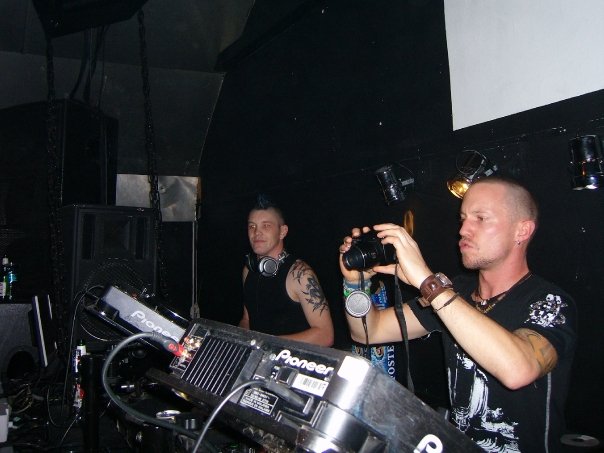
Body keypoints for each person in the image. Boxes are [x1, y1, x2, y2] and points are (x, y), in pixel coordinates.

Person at [339, 176, 576, 452]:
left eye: (480, 218)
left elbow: (517, 371)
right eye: (463, 219)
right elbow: (369, 331)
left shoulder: (550, 301)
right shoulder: (455, 292)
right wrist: (355, 284)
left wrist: (428, 283)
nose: (463, 229)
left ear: (522, 231)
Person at [240, 195, 334, 347]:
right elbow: (247, 319)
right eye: (252, 226)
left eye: (266, 226)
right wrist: (239, 340)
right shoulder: (248, 270)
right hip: (258, 356)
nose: (257, 232)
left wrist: (268, 344)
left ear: (282, 232)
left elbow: (325, 336)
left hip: (293, 359)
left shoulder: (300, 274)